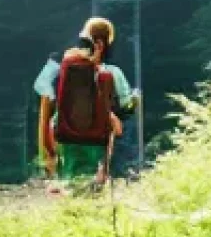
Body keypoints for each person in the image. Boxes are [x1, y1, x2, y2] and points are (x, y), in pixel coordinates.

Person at [34, 17, 139, 184]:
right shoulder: (112, 72)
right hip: (97, 137)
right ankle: (127, 171)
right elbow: (126, 105)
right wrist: (134, 99)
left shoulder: (61, 66)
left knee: (69, 179)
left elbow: (41, 87)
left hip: (63, 135)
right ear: (102, 45)